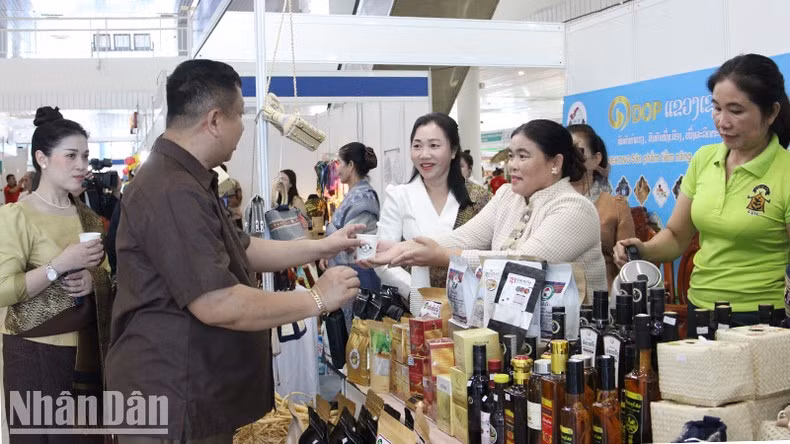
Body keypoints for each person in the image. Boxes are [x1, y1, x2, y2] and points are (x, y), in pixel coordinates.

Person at [106, 59, 363, 443]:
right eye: (240, 114)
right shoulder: (171, 190)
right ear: (213, 120)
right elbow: (218, 302)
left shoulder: (188, 179)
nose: (243, 126)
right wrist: (316, 298)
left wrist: (323, 245)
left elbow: (243, 249)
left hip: (191, 390)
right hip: (172, 395)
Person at [615, 53, 790, 330]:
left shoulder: (785, 171)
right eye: (717, 108)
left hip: (763, 319)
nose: (723, 121)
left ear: (771, 113)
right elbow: (675, 236)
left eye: (736, 110)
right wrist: (643, 249)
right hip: (702, 309)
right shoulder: (704, 159)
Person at [366, 119, 607, 302]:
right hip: (514, 325)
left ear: (555, 163)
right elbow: (466, 236)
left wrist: (442, 256)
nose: (512, 165)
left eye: (523, 156)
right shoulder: (507, 196)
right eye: (511, 156)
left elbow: (523, 263)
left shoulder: (574, 208)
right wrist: (406, 248)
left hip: (569, 340)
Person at [0, 106, 112, 442]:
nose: (82, 165)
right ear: (42, 159)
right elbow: (3, 291)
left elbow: (109, 275)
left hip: (88, 354)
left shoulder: (89, 219)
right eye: (72, 155)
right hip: (35, 353)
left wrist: (94, 282)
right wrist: (57, 266)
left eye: (86, 156)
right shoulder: (16, 216)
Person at [375, 112, 491, 313]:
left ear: (454, 150)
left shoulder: (478, 198)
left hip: (472, 308)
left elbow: (489, 254)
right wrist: (420, 295)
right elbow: (383, 259)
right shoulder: (399, 196)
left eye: (434, 146)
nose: (424, 154)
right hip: (416, 309)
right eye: (417, 145)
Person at [321, 142, 381, 329]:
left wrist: (327, 248)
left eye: (339, 162)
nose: (336, 168)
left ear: (351, 165)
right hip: (349, 272)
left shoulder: (363, 197)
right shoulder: (355, 194)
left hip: (360, 273)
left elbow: (349, 238)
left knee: (360, 335)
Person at [568, 124, 635, 288]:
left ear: (596, 159)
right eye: (564, 152)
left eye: (578, 151)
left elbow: (628, 265)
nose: (570, 158)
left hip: (601, 295)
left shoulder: (615, 206)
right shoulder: (547, 199)